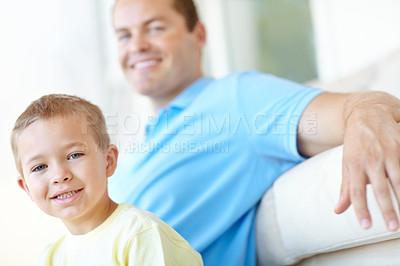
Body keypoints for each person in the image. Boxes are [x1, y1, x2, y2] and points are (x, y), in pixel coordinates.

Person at [109, 0, 400, 265]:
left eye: (155, 28)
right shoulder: (139, 144)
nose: (137, 46)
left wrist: (368, 113)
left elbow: (358, 107)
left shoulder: (237, 100)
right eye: (124, 35)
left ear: (198, 35)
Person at [10, 94, 203, 266]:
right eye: (40, 167)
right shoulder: (50, 258)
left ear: (108, 161)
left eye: (74, 155)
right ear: (26, 188)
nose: (59, 175)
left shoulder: (139, 235)